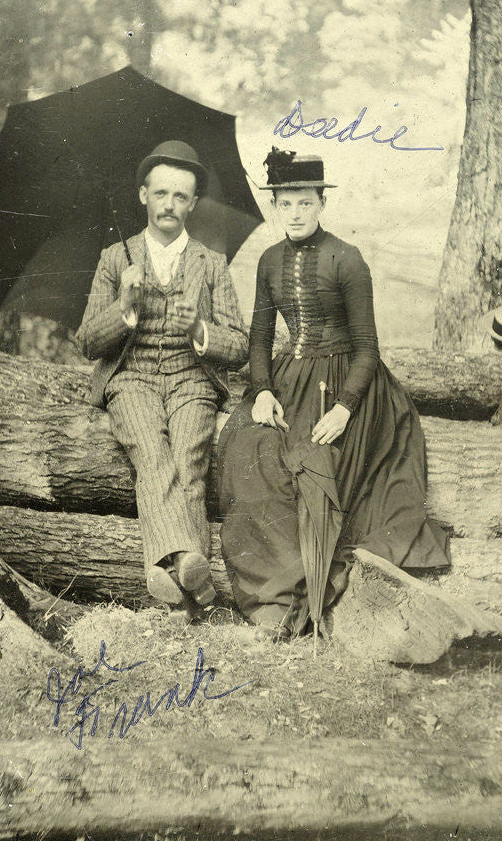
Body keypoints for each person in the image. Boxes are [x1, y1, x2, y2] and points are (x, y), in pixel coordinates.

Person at [216, 147, 451, 639]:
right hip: (286, 381)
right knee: (248, 450)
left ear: (321, 203)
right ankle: (272, 599)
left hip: (348, 384)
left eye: (305, 203)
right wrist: (260, 391)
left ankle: (303, 592)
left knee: (314, 466)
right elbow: (260, 337)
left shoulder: (347, 258)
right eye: (285, 203)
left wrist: (346, 408)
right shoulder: (268, 259)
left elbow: (368, 347)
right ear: (276, 206)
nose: (295, 213)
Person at [76, 140, 248, 623]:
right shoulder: (116, 258)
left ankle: (168, 569)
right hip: (130, 379)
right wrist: (124, 308)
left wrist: (200, 330)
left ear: (193, 204)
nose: (169, 205)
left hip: (191, 379)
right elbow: (87, 340)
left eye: (180, 196)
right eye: (161, 194)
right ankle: (194, 574)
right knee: (151, 454)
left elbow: (237, 346)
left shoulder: (211, 264)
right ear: (143, 196)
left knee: (190, 459)